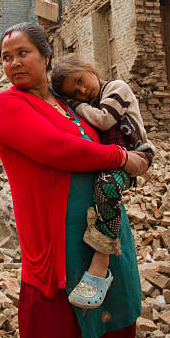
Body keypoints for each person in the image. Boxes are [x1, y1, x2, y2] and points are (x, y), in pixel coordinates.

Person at [0, 22, 148, 338]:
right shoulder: (7, 106)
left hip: (107, 247)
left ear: (46, 56)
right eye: (6, 57)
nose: (13, 63)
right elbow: (58, 149)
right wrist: (121, 159)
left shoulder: (71, 103)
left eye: (22, 53)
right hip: (56, 259)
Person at [51, 56, 155, 310]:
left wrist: (75, 105)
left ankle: (102, 261)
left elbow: (104, 120)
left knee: (107, 187)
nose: (83, 90)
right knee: (98, 189)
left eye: (80, 81)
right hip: (112, 161)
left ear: (88, 68)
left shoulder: (116, 88)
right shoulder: (92, 100)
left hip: (136, 155)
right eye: (75, 92)